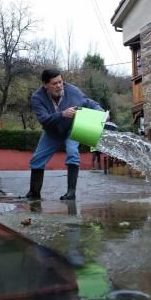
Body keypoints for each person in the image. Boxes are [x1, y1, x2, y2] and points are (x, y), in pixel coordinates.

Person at [26, 68, 104, 201]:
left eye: (60, 82)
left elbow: (90, 103)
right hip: (52, 130)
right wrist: (62, 114)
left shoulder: (73, 91)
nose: (59, 86)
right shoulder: (37, 97)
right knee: (37, 160)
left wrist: (101, 113)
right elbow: (44, 120)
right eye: (54, 83)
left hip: (71, 127)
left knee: (72, 152)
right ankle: (34, 193)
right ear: (45, 85)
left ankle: (71, 193)